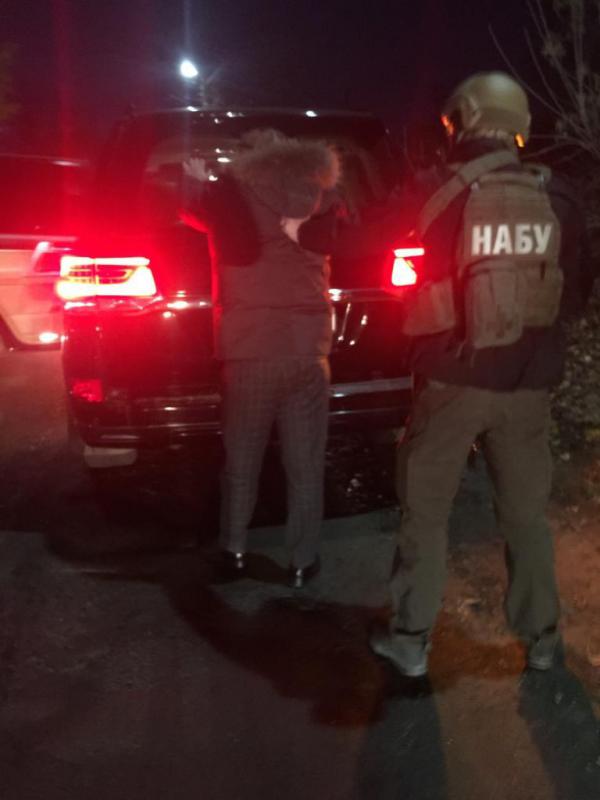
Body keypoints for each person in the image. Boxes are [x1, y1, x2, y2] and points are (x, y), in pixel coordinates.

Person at [370, 72, 593, 676]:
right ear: (518, 124)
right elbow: (575, 293)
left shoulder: (431, 188)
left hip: (452, 380)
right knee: (525, 515)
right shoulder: (560, 195)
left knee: (425, 510)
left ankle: (411, 639)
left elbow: (370, 246)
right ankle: (542, 638)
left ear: (463, 119)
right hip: (529, 386)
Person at [181, 130, 342, 588]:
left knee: (242, 460)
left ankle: (233, 551)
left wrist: (193, 179)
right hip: (308, 353)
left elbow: (189, 212)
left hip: (250, 353)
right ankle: (302, 562)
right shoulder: (319, 194)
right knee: (305, 465)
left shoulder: (229, 197)